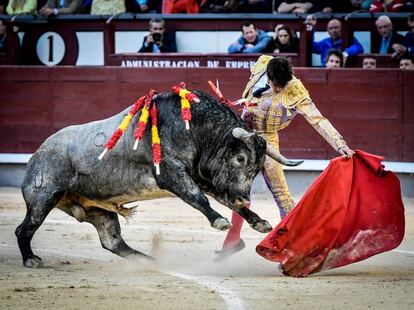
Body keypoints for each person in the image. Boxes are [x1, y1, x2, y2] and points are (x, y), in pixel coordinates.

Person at [216, 55, 354, 257]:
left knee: (281, 193)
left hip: (268, 141)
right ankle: (233, 240)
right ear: (269, 78)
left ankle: (295, 247)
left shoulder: (295, 89)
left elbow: (317, 119)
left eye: (283, 85)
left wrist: (340, 144)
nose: (279, 89)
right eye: (275, 85)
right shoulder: (262, 65)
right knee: (239, 190)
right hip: (245, 137)